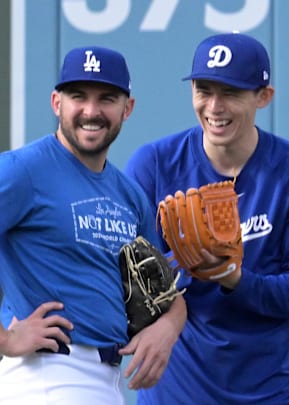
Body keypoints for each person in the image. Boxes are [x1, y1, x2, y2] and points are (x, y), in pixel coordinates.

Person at [124, 33, 289, 404]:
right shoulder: (154, 164)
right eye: (204, 90)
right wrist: (181, 268)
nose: (214, 107)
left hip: (267, 392)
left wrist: (234, 278)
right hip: (176, 393)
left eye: (231, 92)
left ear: (263, 96)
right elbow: (130, 278)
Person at [0, 46, 187, 403]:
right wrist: (7, 340)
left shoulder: (129, 195)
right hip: (45, 377)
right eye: (78, 97)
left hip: (105, 381)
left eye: (106, 98)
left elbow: (166, 297)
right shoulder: (23, 170)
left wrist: (168, 326)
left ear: (127, 109)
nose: (91, 111)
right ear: (57, 103)